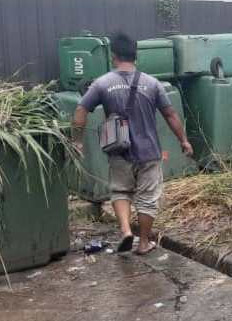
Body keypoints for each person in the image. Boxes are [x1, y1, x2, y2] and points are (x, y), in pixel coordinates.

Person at [72, 32, 192, 255]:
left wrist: (77, 142)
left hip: (119, 151)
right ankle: (144, 242)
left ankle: (126, 231)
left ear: (113, 56)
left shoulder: (102, 83)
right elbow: (171, 114)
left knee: (120, 191)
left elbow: (80, 110)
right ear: (136, 57)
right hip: (149, 153)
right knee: (147, 199)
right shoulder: (152, 83)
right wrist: (183, 140)